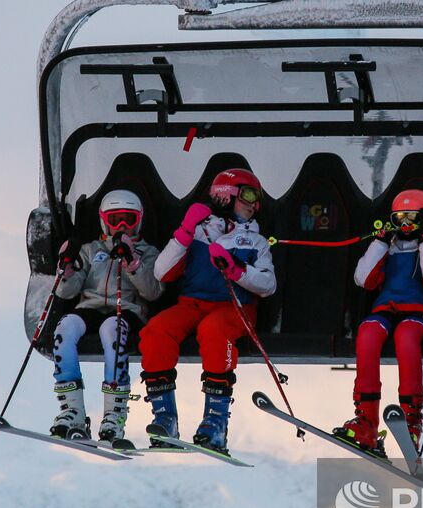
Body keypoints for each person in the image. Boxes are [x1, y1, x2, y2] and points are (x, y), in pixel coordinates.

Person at [140, 169, 277, 454]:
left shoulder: (256, 241)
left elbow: (267, 285)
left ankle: (215, 423)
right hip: (191, 303)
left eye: (257, 199)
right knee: (156, 331)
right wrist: (185, 232)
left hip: (235, 307)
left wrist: (235, 269)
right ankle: (165, 419)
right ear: (226, 195)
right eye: (249, 195)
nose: (255, 204)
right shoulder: (199, 232)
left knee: (214, 330)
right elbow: (161, 271)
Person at [335, 188, 423, 455]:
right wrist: (380, 242)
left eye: (413, 218)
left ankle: (412, 417)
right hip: (388, 308)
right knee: (367, 333)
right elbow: (362, 279)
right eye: (400, 219)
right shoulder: (390, 247)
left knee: (406, 336)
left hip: (421, 310)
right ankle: (366, 420)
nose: (406, 225)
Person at [50, 189, 163, 442]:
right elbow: (66, 292)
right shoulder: (91, 250)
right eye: (114, 220)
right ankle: (72, 410)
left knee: (111, 330)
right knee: (64, 329)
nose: (121, 226)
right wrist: (66, 271)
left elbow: (153, 291)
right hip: (89, 307)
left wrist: (133, 264)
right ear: (103, 220)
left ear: (139, 220)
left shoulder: (148, 252)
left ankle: (114, 413)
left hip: (126, 311)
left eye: (128, 219)